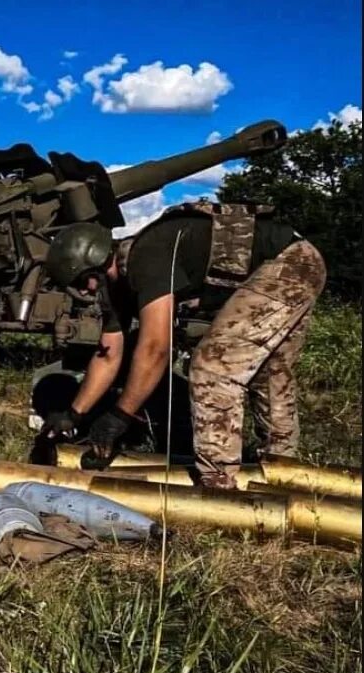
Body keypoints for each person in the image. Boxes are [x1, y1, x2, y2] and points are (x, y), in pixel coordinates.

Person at [39, 201, 325, 489]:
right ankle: (280, 474)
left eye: (85, 280)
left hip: (287, 264)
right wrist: (74, 414)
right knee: (269, 372)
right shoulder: (115, 286)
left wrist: (119, 415)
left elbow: (155, 347)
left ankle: (218, 483)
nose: (88, 290)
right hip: (298, 259)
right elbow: (108, 355)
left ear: (97, 260)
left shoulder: (144, 257)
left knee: (212, 366)